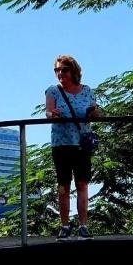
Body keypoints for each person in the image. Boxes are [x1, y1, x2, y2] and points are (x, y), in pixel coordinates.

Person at [45, 54, 99, 240]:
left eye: (64, 69)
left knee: (82, 184)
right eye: (57, 70)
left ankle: (83, 226)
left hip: (81, 143)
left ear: (73, 70)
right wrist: (53, 114)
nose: (60, 73)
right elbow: (48, 112)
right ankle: (65, 225)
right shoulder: (53, 90)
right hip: (61, 144)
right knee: (63, 186)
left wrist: (94, 112)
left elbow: (95, 113)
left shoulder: (86, 91)